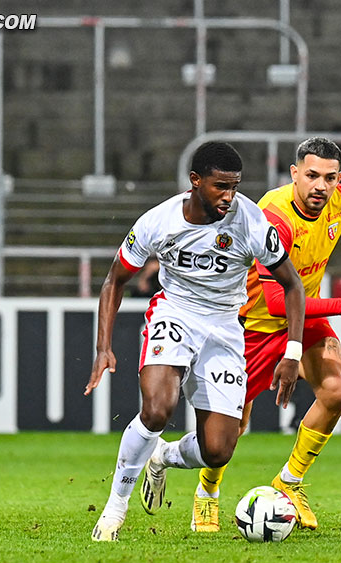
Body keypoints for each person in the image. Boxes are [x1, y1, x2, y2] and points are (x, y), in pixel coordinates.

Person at [140, 136, 341, 532]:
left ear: (338, 178)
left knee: (337, 389)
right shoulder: (274, 217)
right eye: (311, 175)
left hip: (305, 317)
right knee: (233, 426)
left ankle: (289, 482)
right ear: (294, 174)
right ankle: (205, 490)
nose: (320, 186)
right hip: (251, 326)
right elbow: (275, 301)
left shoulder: (337, 200)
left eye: (329, 177)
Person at [84, 141, 306, 542]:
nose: (229, 196)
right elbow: (114, 280)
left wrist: (293, 351)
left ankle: (163, 455)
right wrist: (103, 347)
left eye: (235, 186)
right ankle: (115, 511)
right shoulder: (159, 221)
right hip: (175, 313)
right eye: (221, 186)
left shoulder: (250, 222)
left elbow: (292, 285)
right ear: (195, 181)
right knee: (156, 410)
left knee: (220, 448)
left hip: (224, 327)